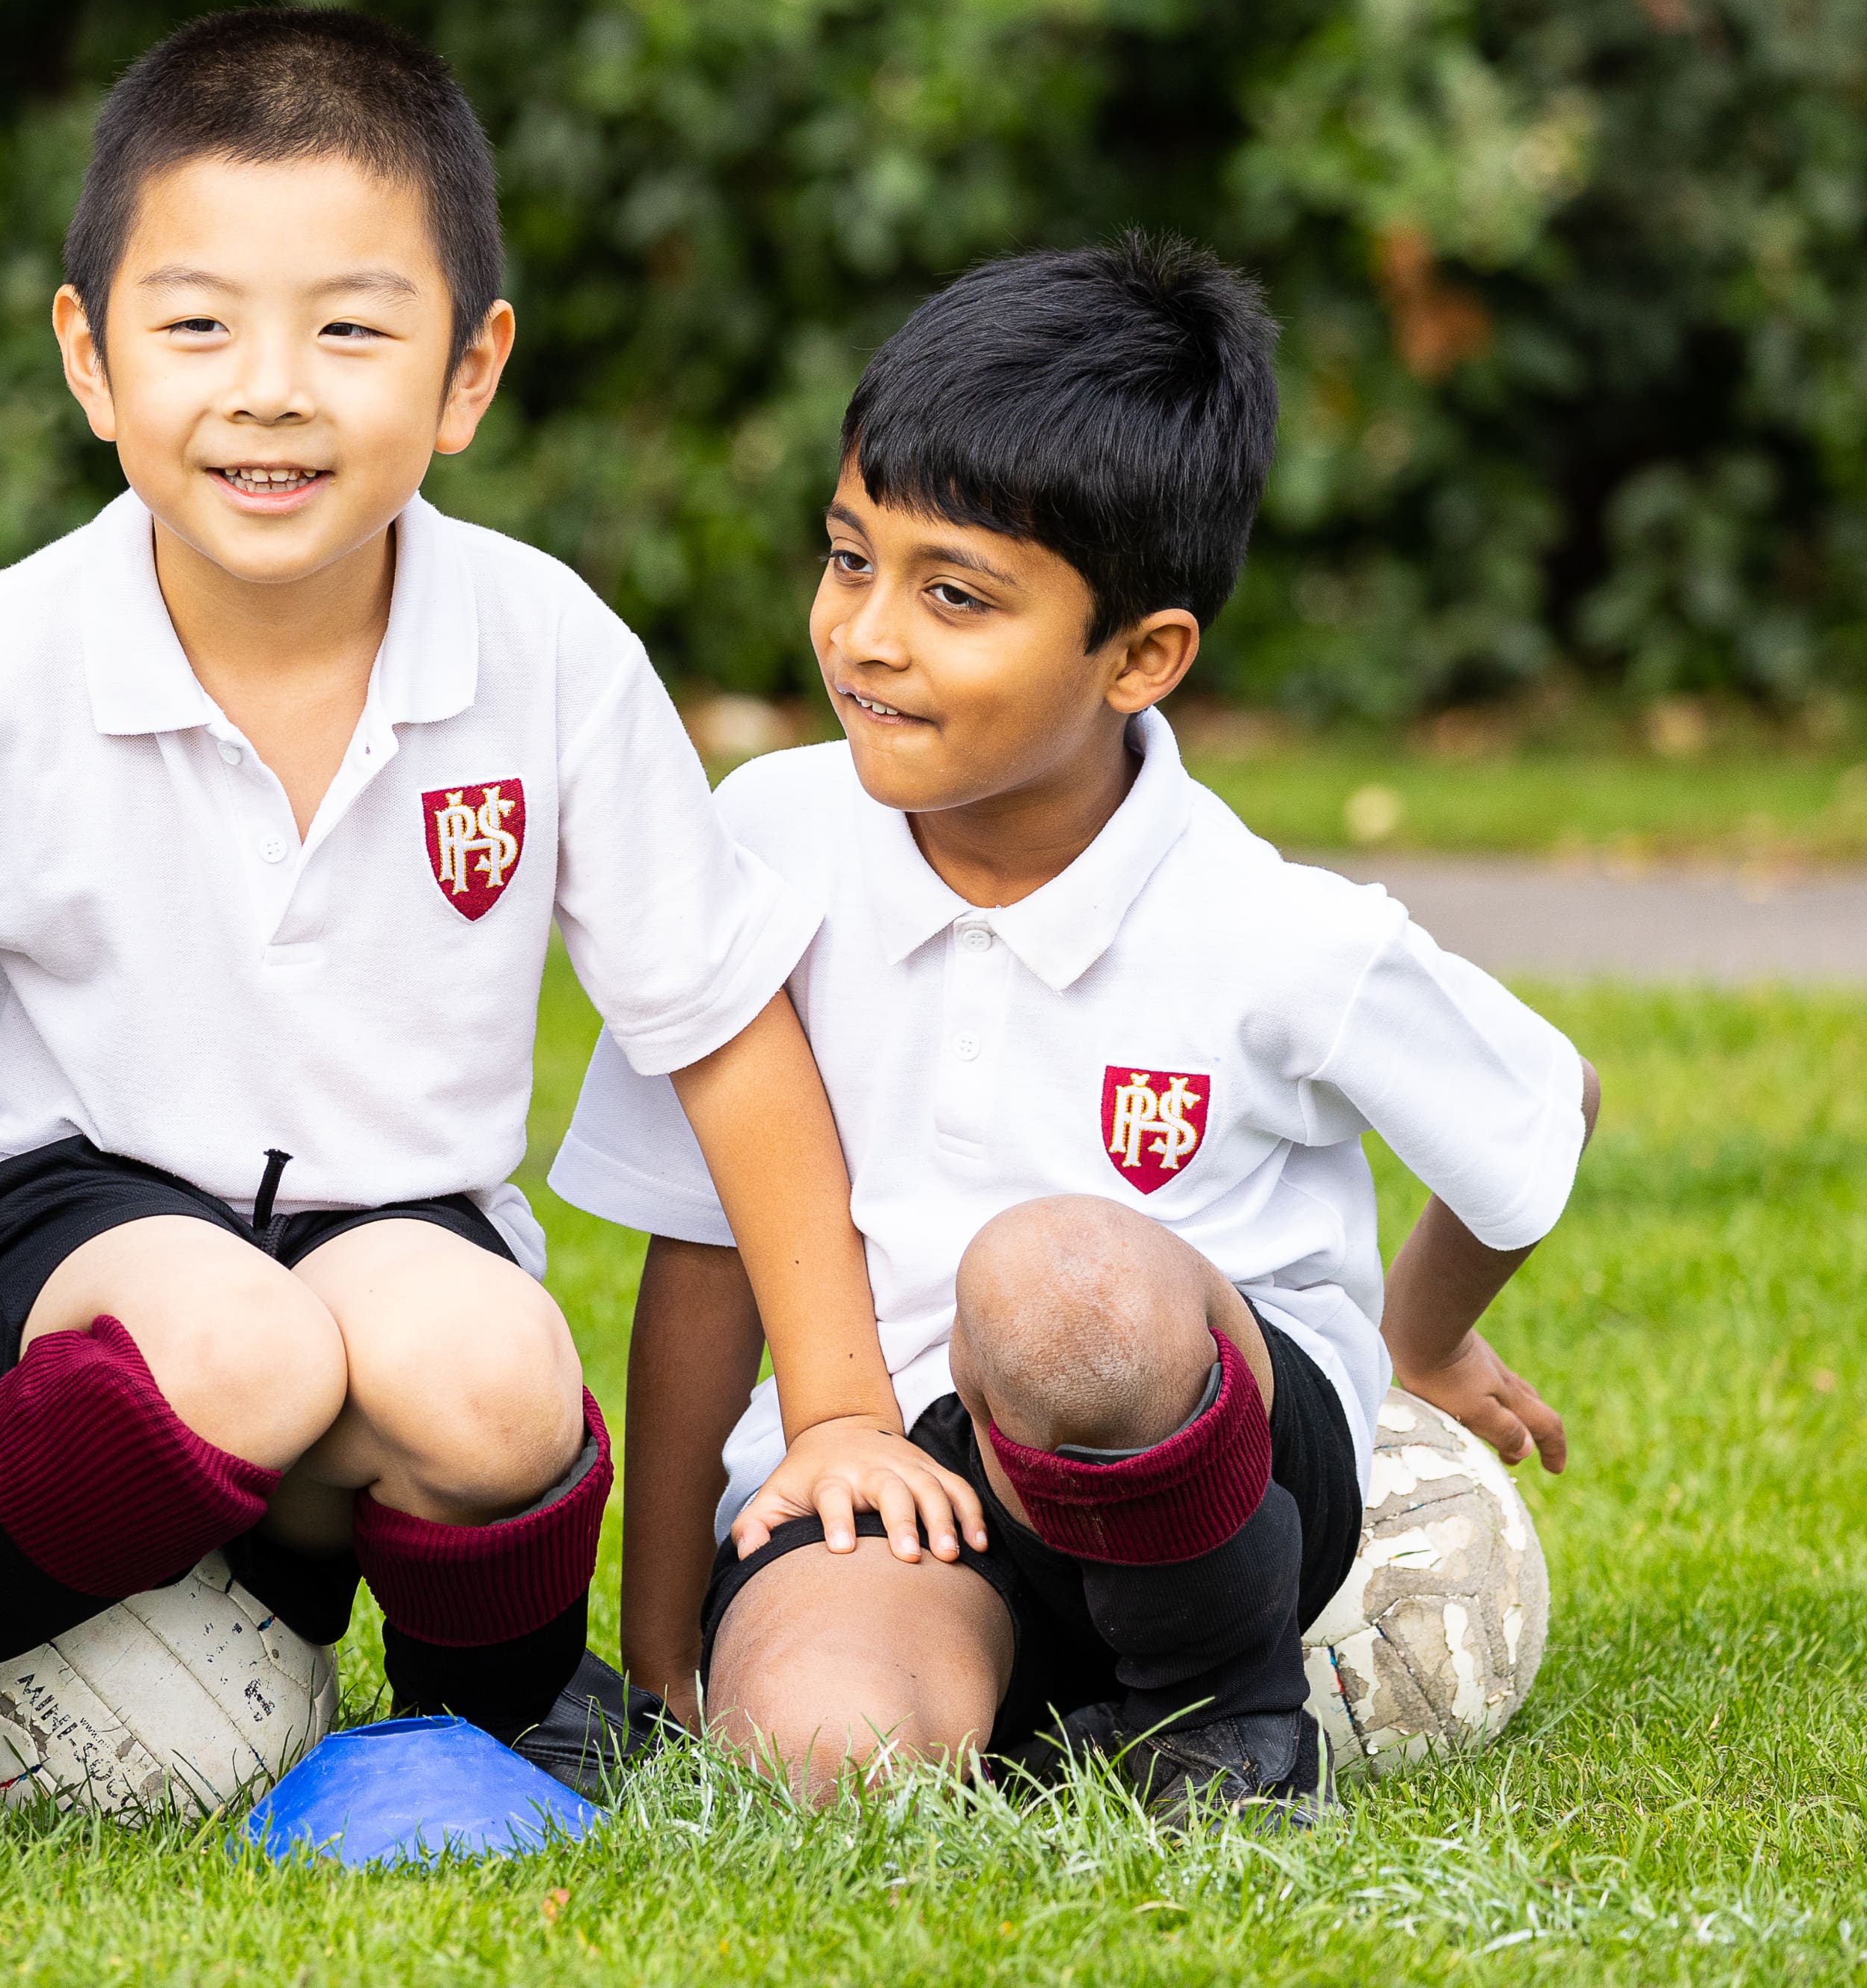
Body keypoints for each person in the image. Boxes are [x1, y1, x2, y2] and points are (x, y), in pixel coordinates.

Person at [0, 6, 953, 1811]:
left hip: (385, 1254)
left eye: (351, 330)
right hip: (69, 1291)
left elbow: (724, 1033)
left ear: (467, 373)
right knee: (228, 1330)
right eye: (196, 324)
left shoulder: (542, 652)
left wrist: (839, 1407)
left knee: (492, 1360)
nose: (270, 387)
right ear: (88, 359)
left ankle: (492, 1710)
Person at [551, 235, 1599, 1820]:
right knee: (824, 1759)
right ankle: (1027, 1700)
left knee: (1056, 1285)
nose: (864, 636)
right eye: (848, 559)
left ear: (1139, 656)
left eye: (952, 594)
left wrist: (1411, 1343)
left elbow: (1541, 1104)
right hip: (887, 1477)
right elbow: (702, 1249)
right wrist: (650, 1655)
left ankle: (1217, 1708)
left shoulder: (1265, 925)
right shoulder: (757, 839)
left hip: (1199, 1449)